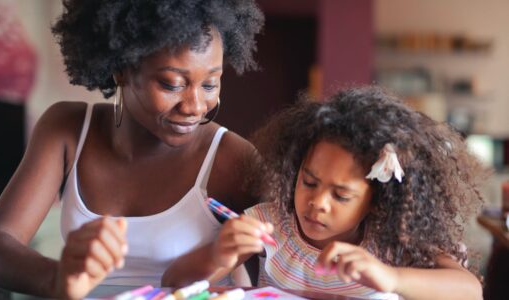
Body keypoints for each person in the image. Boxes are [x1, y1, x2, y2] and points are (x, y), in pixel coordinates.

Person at [0, 0, 264, 299]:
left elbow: (278, 269)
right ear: (122, 70)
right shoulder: (67, 130)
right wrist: (60, 278)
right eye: (172, 84)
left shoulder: (233, 159)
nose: (194, 107)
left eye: (209, 84)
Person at [163, 86, 487, 300]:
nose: (317, 203)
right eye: (309, 182)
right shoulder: (270, 224)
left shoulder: (393, 241)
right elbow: (173, 284)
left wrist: (390, 277)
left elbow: (469, 290)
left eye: (341, 196)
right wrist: (220, 255)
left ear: (377, 202)